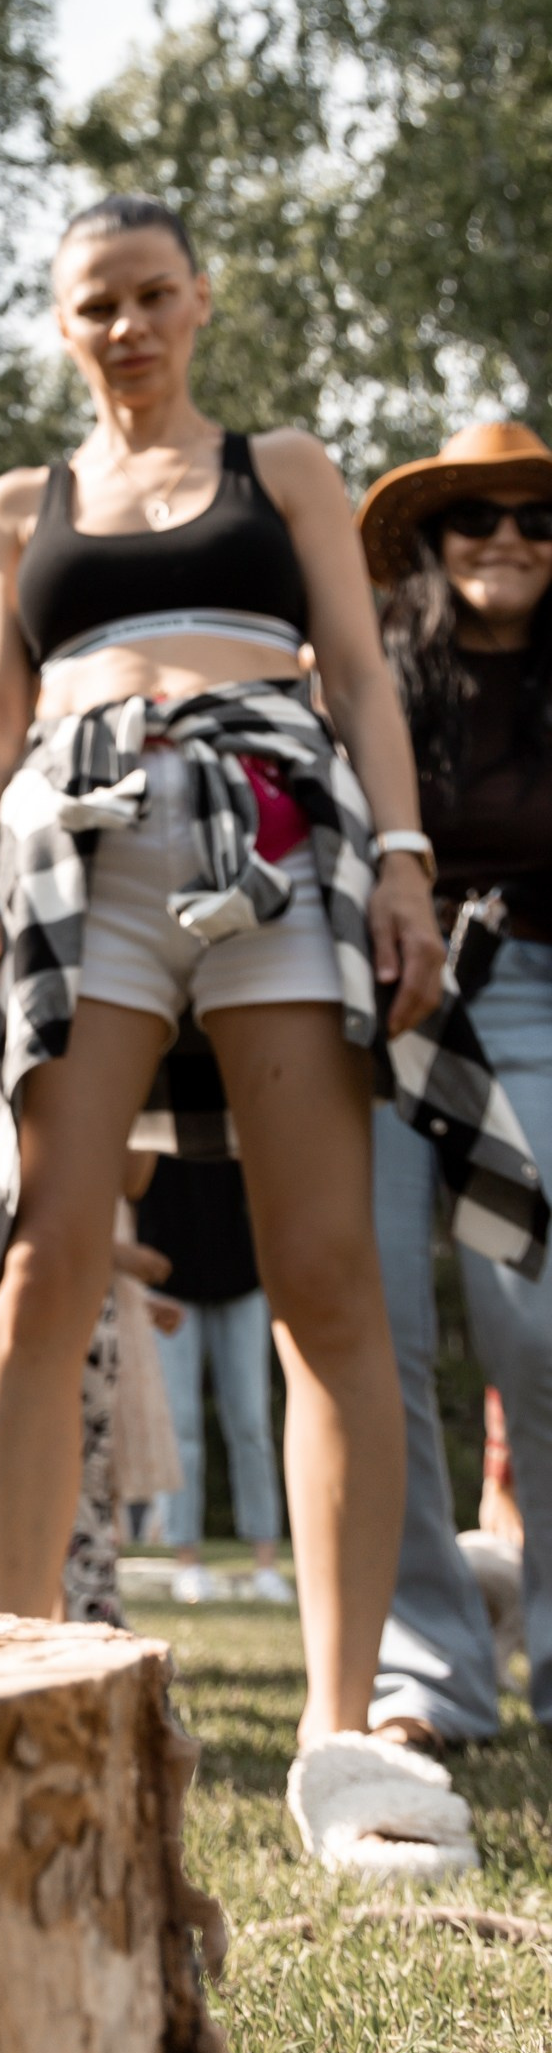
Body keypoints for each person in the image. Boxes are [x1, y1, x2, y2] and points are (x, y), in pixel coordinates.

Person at [0, 191, 492, 1872]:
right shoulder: (20, 508)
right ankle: (6, 1705)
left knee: (328, 1271)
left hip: (279, 824)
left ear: (201, 302)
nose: (128, 328)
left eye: (153, 296)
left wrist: (399, 859)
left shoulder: (287, 469)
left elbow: (364, 681)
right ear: (62, 323)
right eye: (95, 304)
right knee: (42, 1259)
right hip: (72, 848)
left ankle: (342, 1740)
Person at [357, 420, 552, 1746]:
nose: (507, 538)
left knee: (535, 1335)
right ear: (430, 543)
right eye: (474, 516)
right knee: (379, 1338)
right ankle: (432, 1681)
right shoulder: (376, 678)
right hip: (381, 1014)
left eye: (537, 518)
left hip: (531, 1001)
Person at [134, 1154, 291, 1606]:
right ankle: (188, 1562)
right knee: (180, 1425)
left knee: (251, 1424)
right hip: (167, 1277)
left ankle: (266, 1565)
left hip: (242, 1280)